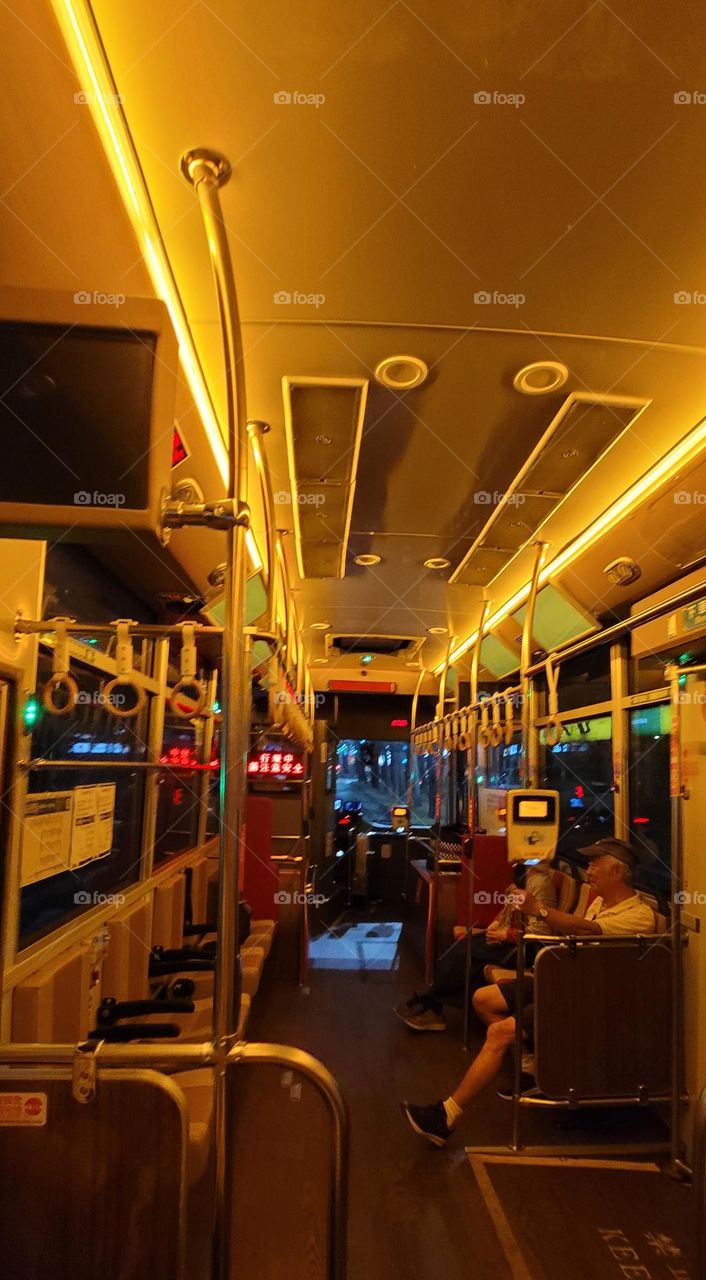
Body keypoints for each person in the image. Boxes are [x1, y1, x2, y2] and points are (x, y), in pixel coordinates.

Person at [401, 837, 656, 1145]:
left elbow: (587, 931)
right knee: (483, 999)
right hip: (564, 978)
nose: (588, 871)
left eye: (594, 864)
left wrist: (540, 911)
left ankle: (448, 1114)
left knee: (499, 1034)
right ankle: (531, 1067)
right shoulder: (602, 902)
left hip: (591, 997)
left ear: (617, 872)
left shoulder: (638, 916)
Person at [395, 861, 556, 1032]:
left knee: (464, 956)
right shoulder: (523, 878)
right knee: (459, 949)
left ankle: (430, 1004)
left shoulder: (540, 884)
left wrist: (505, 935)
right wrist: (496, 923)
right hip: (507, 939)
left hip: (525, 948)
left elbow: (540, 931)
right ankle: (432, 1005)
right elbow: (507, 910)